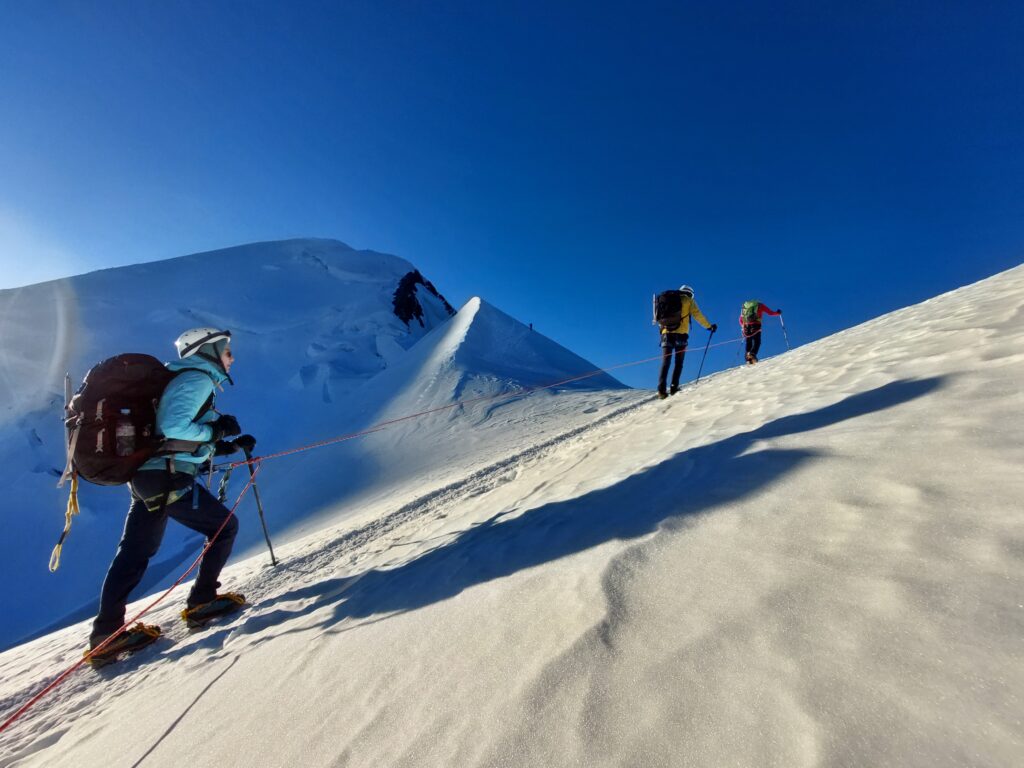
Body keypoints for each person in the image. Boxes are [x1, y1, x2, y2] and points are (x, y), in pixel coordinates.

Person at [88, 327, 255, 659]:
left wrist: (226, 446)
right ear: (208, 351)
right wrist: (217, 430)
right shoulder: (197, 379)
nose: (232, 357)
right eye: (226, 350)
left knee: (134, 554)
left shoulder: (182, 379)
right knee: (224, 527)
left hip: (150, 476)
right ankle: (202, 601)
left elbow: (173, 440)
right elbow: (174, 427)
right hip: (166, 477)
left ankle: (106, 634)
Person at [656, 285, 716, 398]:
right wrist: (709, 326)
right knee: (678, 363)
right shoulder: (688, 300)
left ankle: (661, 390)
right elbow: (698, 315)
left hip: (666, 334)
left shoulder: (666, 300)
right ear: (690, 293)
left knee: (665, 362)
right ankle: (674, 387)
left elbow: (659, 318)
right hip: (681, 335)